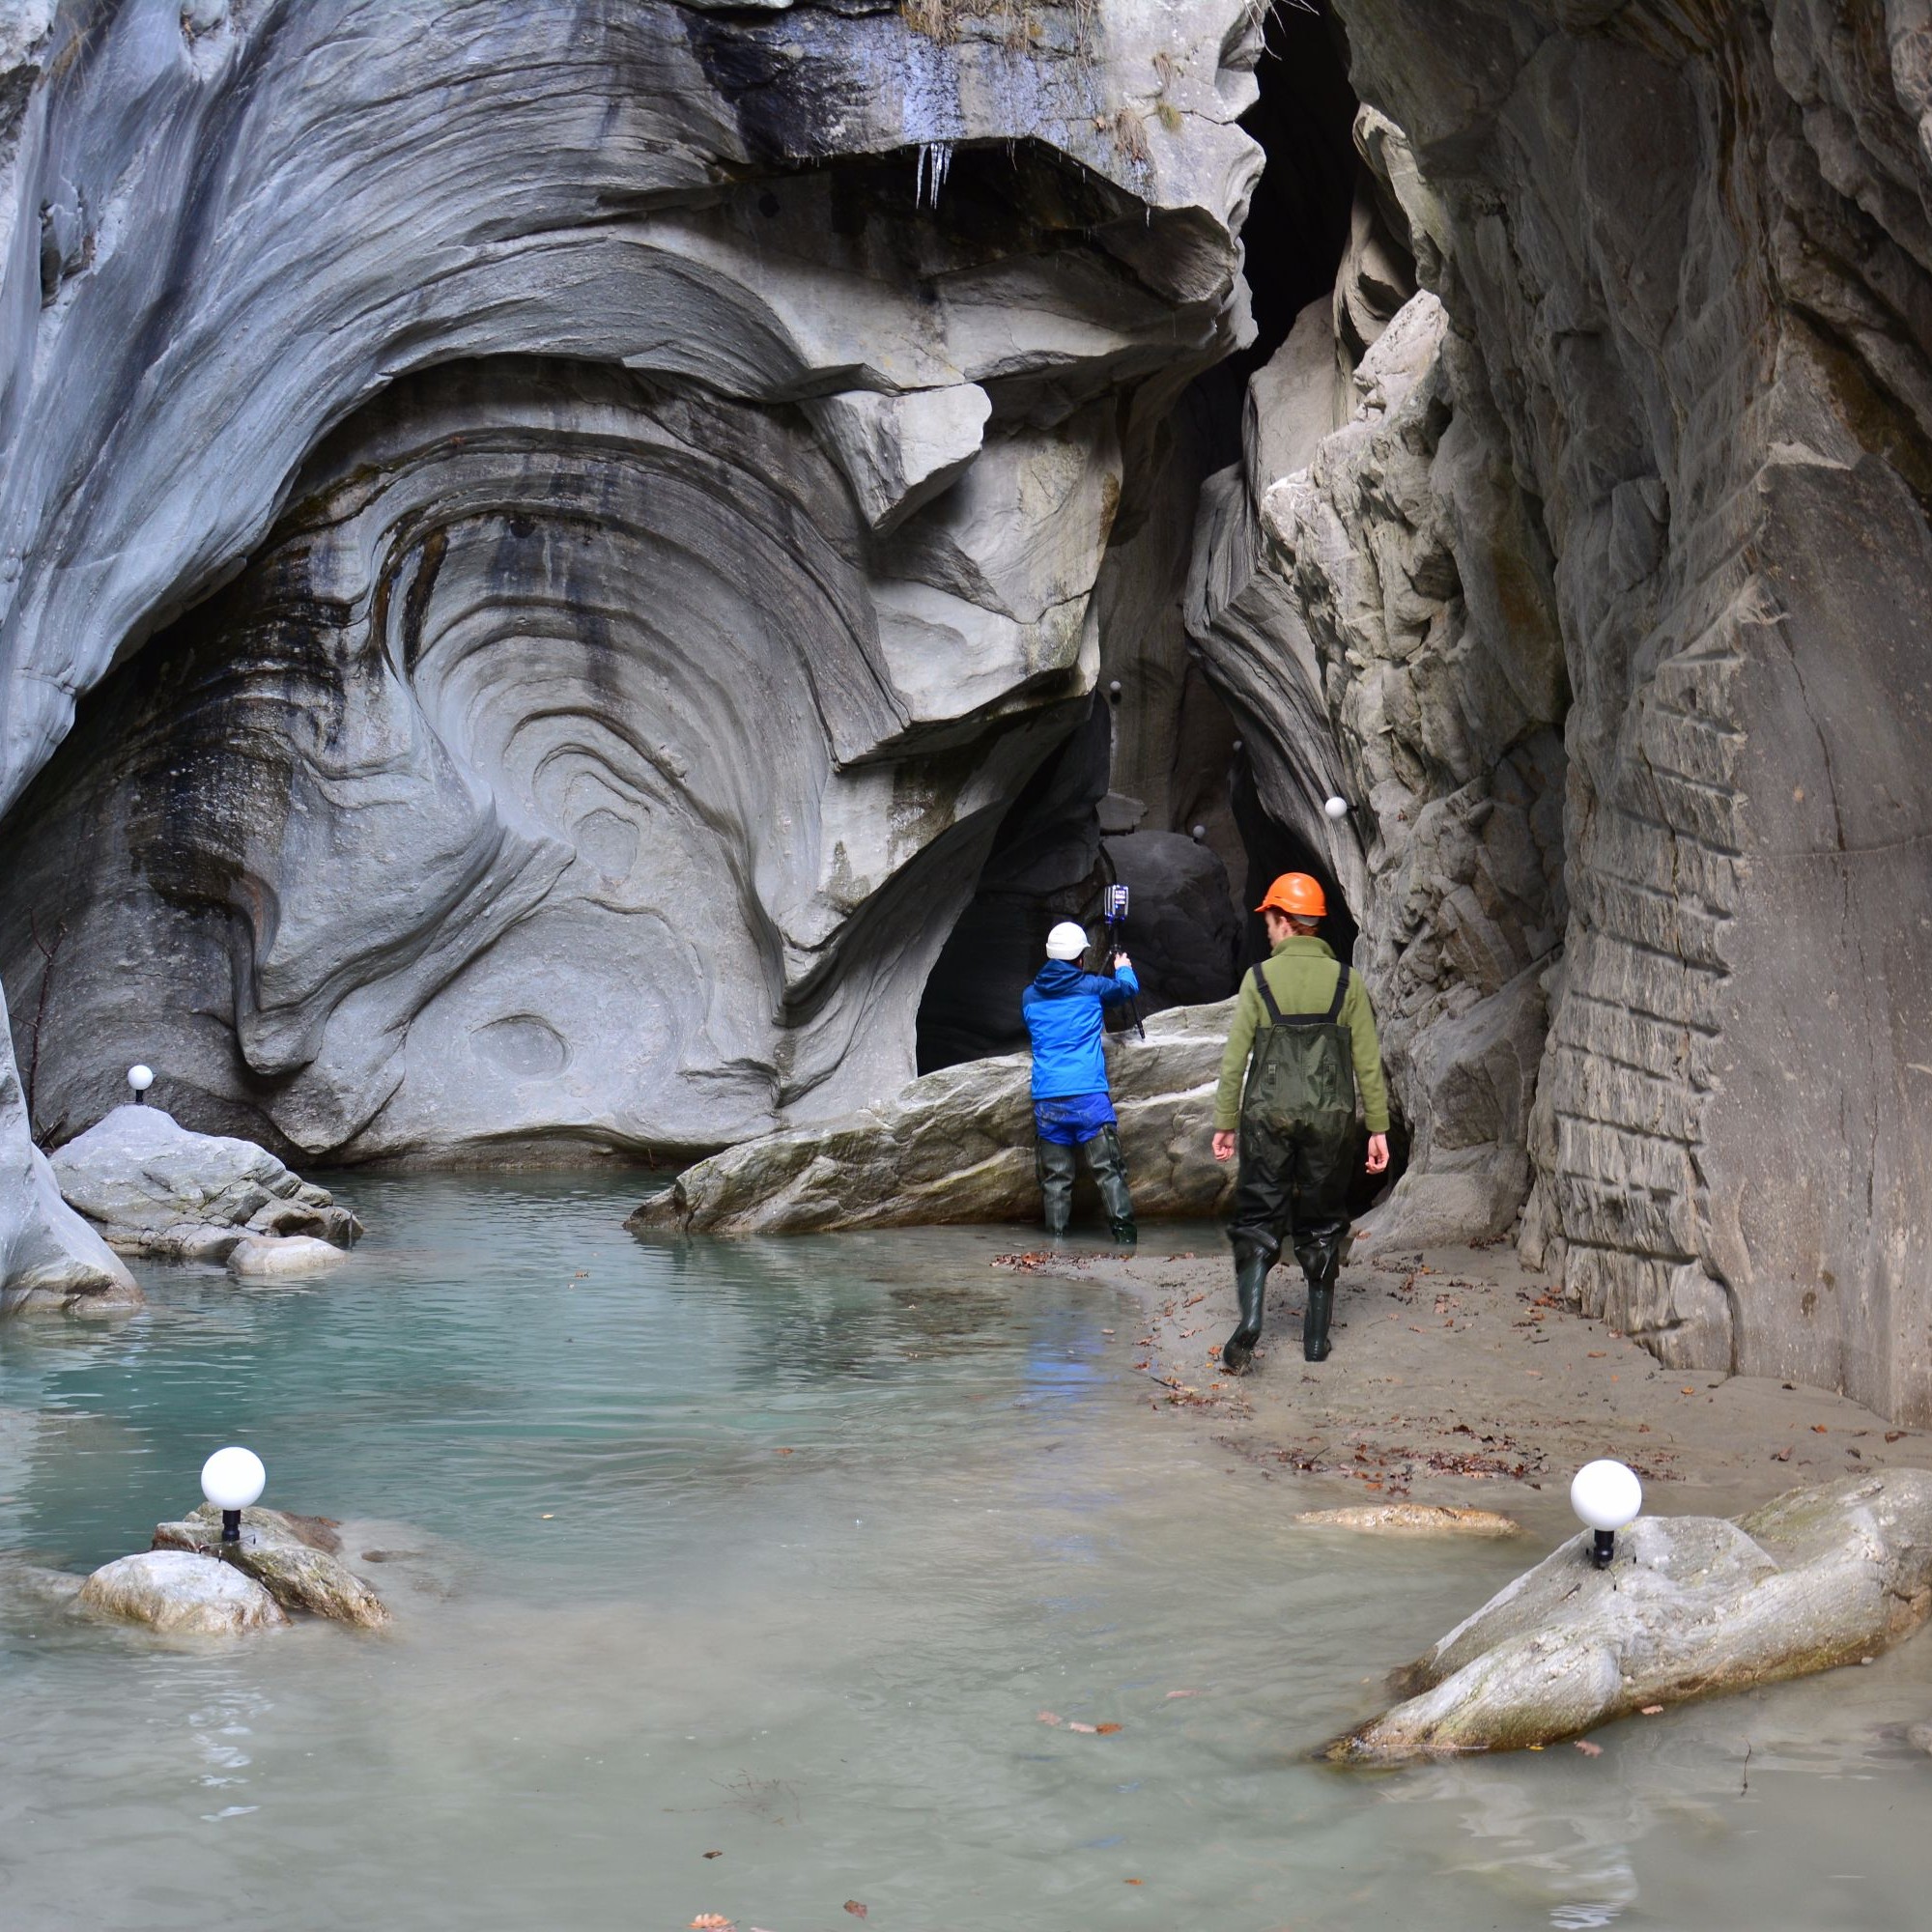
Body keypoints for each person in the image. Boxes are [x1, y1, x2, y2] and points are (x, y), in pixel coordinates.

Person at [1209, 873, 1389, 1371]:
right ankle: (1314, 1341)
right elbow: (1367, 1061)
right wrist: (1378, 1128)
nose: (1267, 929)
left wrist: (1225, 1121)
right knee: (1323, 1219)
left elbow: (1235, 1059)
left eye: (1270, 919)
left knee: (1258, 1215)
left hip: (1267, 1115)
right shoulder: (1347, 982)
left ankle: (1250, 1323)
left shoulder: (1259, 979)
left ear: (1286, 922)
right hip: (1331, 1119)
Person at [1023, 921, 1141, 1243]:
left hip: (1047, 1100)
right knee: (1108, 1171)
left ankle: (1056, 1245)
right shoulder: (1093, 988)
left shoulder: (1029, 996)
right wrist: (1123, 968)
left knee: (1056, 1180)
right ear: (1079, 958)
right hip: (1088, 1096)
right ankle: (1126, 1241)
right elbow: (1128, 990)